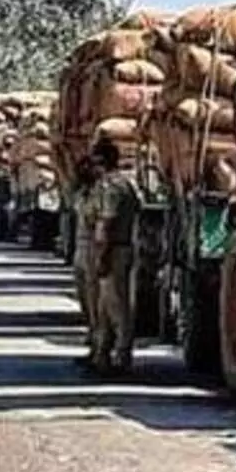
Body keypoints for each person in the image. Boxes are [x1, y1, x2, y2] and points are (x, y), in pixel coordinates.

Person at [89, 139, 141, 375]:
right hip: (123, 247)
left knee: (116, 306)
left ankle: (122, 356)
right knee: (104, 307)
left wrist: (101, 255)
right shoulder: (127, 184)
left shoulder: (110, 186)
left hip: (114, 250)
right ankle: (102, 354)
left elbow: (105, 224)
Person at [71, 157, 102, 369]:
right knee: (83, 297)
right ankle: (93, 336)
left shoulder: (103, 193)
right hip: (80, 249)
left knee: (96, 301)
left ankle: (100, 348)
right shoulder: (81, 194)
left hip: (93, 247)